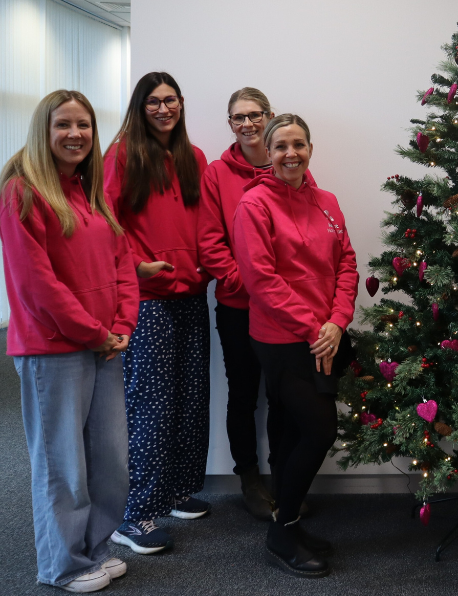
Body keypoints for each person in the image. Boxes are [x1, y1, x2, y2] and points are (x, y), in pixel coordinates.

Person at [0, 90, 138, 592]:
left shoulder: (90, 190)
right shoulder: (23, 192)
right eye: (64, 125)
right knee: (64, 466)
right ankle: (62, 564)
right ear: (44, 130)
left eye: (83, 125)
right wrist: (95, 331)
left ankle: (94, 549)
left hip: (104, 346)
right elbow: (37, 285)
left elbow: (123, 261)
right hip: (53, 350)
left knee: (108, 461)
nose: (75, 134)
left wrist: (122, 324)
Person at [233, 114, 358, 578]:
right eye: (281, 146)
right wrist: (314, 329)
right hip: (283, 339)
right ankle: (281, 533)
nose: (291, 153)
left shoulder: (327, 201)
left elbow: (347, 263)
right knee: (318, 430)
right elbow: (261, 281)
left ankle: (289, 522)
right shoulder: (254, 205)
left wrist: (337, 321)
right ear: (267, 153)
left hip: (325, 334)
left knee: (292, 432)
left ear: (310, 149)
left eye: (299, 145)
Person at [104, 72, 212, 554]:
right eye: (154, 102)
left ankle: (175, 492)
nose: (164, 109)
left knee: (191, 399)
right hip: (147, 299)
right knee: (150, 407)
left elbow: (206, 223)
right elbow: (103, 220)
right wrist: (136, 266)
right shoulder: (123, 154)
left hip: (190, 294)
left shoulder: (194, 158)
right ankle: (134, 515)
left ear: (182, 104)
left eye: (171, 100)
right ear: (140, 106)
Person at [199, 87, 283, 519]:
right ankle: (249, 478)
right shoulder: (216, 173)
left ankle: (287, 479)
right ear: (229, 124)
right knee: (244, 395)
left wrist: (281, 294)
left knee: (285, 396)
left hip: (284, 311)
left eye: (254, 115)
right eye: (238, 118)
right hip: (238, 306)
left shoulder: (288, 161)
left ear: (270, 116)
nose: (247, 124)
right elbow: (211, 243)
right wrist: (253, 286)